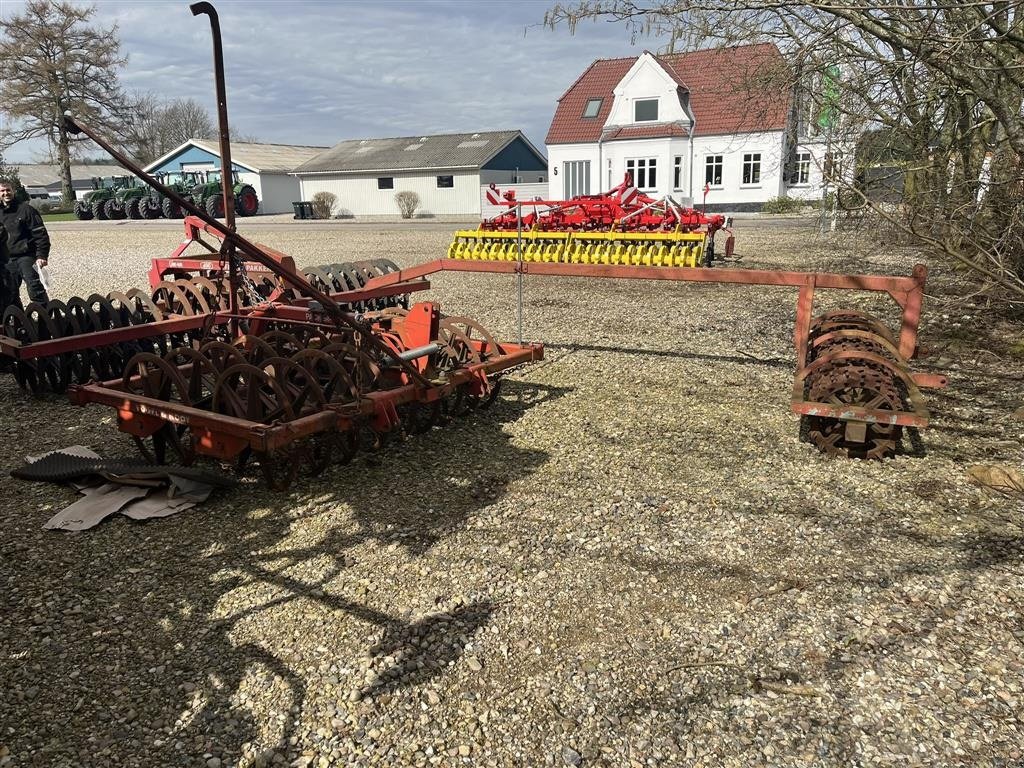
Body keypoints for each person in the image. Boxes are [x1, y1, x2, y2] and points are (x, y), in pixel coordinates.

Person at [0, 178, 50, 309]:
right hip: (7, 259)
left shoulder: (26, 210)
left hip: (26, 255)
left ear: (13, 191)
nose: (6, 193)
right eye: (2, 191)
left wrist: (42, 255)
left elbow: (40, 235)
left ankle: (45, 317)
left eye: (8, 190)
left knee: (34, 287)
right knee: (9, 292)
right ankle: (18, 322)